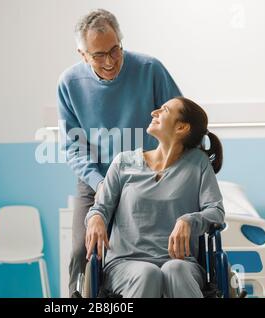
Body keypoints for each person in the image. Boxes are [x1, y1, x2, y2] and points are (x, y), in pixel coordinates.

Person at [57, 9, 182, 296]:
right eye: (99, 55)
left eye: (115, 49)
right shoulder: (69, 83)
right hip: (96, 176)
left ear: (121, 40)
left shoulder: (151, 69)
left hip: (149, 176)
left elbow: (180, 119)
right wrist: (101, 185)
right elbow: (74, 147)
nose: (110, 61)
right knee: (81, 249)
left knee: (157, 252)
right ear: (83, 54)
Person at [85, 97, 225, 298]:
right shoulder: (124, 162)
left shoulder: (198, 164)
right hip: (125, 264)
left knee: (174, 269)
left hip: (182, 263)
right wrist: (96, 217)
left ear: (181, 127)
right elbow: (100, 208)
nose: (154, 113)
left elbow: (216, 211)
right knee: (148, 273)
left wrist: (189, 220)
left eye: (164, 110)